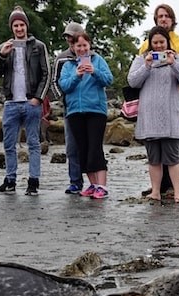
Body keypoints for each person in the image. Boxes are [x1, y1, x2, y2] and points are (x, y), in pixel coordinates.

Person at [138, 3, 179, 198]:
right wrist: (147, 64)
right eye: (159, 16)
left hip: (174, 96)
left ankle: (173, 188)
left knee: (171, 149)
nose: (163, 19)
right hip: (151, 103)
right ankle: (158, 188)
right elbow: (134, 77)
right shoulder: (145, 48)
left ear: (172, 20)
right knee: (155, 150)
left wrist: (176, 67)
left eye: (166, 16)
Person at [128, 26, 179, 203]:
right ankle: (155, 191)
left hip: (172, 115)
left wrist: (174, 63)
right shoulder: (141, 59)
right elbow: (132, 81)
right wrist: (147, 65)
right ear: (150, 43)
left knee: (173, 157)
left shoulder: (176, 58)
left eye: (161, 42)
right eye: (155, 42)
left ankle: (178, 192)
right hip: (149, 116)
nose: (158, 46)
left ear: (167, 42)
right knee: (154, 158)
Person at [0, 5, 50, 195]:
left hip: (31, 101)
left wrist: (38, 98)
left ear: (26, 26)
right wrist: (2, 55)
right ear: (12, 27)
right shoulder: (4, 47)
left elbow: (46, 74)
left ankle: (33, 182)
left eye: (21, 25)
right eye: (15, 25)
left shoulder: (39, 46)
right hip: (10, 102)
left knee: (33, 143)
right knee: (8, 145)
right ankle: (10, 181)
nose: (19, 28)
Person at [59, 32, 114, 199]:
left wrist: (95, 72)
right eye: (78, 46)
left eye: (85, 45)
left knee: (95, 149)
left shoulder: (98, 60)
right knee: (82, 150)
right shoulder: (68, 66)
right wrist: (77, 75)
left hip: (96, 111)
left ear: (89, 45)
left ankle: (102, 186)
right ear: (73, 48)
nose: (82, 49)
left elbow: (108, 79)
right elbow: (64, 86)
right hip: (75, 111)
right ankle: (93, 184)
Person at [51, 21, 85, 194]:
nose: (70, 41)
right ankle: (75, 181)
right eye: (68, 38)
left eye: (73, 37)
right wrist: (63, 99)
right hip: (70, 109)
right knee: (72, 146)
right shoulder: (61, 58)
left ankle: (96, 182)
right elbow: (54, 82)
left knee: (90, 146)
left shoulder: (93, 57)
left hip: (90, 109)